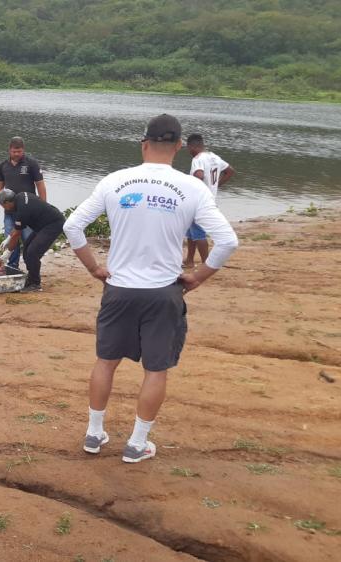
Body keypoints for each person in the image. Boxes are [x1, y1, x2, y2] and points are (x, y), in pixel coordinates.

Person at [62, 114, 239, 464]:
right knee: (156, 368)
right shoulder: (193, 187)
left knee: (106, 361)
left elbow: (72, 226)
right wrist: (199, 276)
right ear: (178, 147)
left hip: (119, 289)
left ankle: (94, 434)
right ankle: (137, 443)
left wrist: (95, 268)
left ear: (143, 144)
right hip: (163, 292)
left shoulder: (115, 181)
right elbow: (228, 241)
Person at [0, 137, 48, 269]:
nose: (17, 154)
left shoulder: (32, 164)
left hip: (28, 211)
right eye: (14, 151)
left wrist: (43, 208)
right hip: (10, 211)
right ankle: (13, 265)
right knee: (10, 237)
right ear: (9, 150)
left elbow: (40, 186)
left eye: (19, 151)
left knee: (29, 239)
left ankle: (31, 266)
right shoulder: (3, 166)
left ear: (23, 150)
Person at [0, 189, 65, 293]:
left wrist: (8, 253)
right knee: (27, 249)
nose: (5, 209)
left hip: (53, 224)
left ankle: (35, 284)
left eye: (3, 206)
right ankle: (31, 277)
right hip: (42, 224)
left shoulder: (21, 210)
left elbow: (17, 234)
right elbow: (16, 229)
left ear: (7, 202)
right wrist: (8, 238)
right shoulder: (20, 196)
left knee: (33, 252)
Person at [184, 133, 235, 268]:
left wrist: (189, 186)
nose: (188, 151)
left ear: (191, 146)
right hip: (210, 198)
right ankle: (189, 260)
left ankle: (206, 263)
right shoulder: (214, 157)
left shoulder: (197, 159)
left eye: (188, 148)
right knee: (192, 232)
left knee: (199, 233)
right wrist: (216, 185)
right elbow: (230, 171)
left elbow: (199, 176)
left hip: (198, 202)